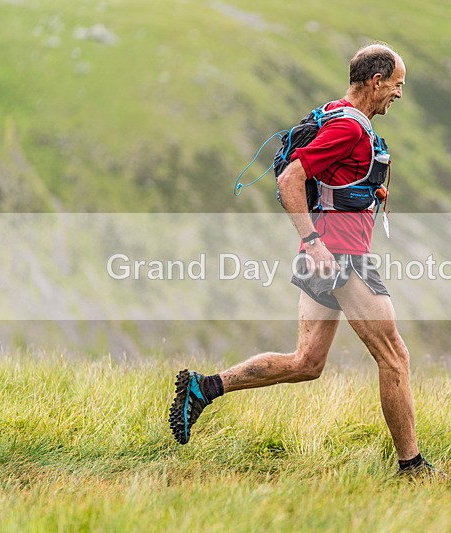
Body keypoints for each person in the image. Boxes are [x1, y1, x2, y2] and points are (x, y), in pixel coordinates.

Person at [169, 43, 436, 477]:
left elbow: (332, 181)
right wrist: (313, 241)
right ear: (376, 81)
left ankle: (204, 387)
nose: (399, 95)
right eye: (397, 85)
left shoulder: (333, 113)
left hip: (326, 256)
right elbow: (291, 177)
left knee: (307, 363)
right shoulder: (348, 128)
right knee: (395, 358)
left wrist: (360, 197)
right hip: (340, 256)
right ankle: (413, 467)